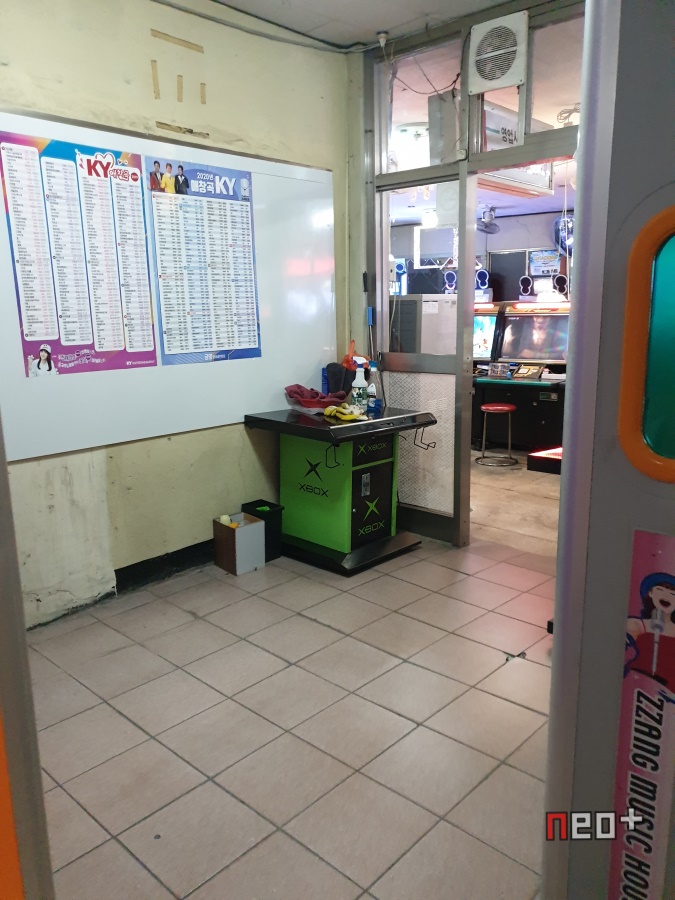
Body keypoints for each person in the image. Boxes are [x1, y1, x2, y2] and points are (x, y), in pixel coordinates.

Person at [625, 572, 675, 696]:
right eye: (660, 590)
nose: (666, 595)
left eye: (673, 594)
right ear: (650, 593)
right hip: (641, 686)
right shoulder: (636, 625)